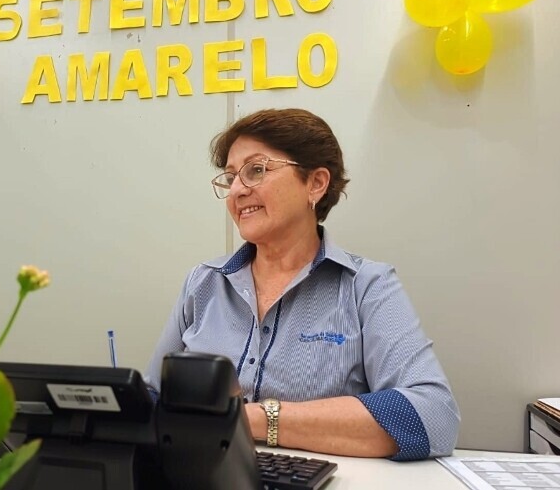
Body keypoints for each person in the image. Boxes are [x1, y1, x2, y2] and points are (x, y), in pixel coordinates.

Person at [144, 108, 460, 461]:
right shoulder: (203, 283)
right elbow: (151, 400)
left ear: (316, 183)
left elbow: (433, 415)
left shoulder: (366, 286)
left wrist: (255, 420)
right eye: (231, 178)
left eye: (256, 170)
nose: (236, 191)